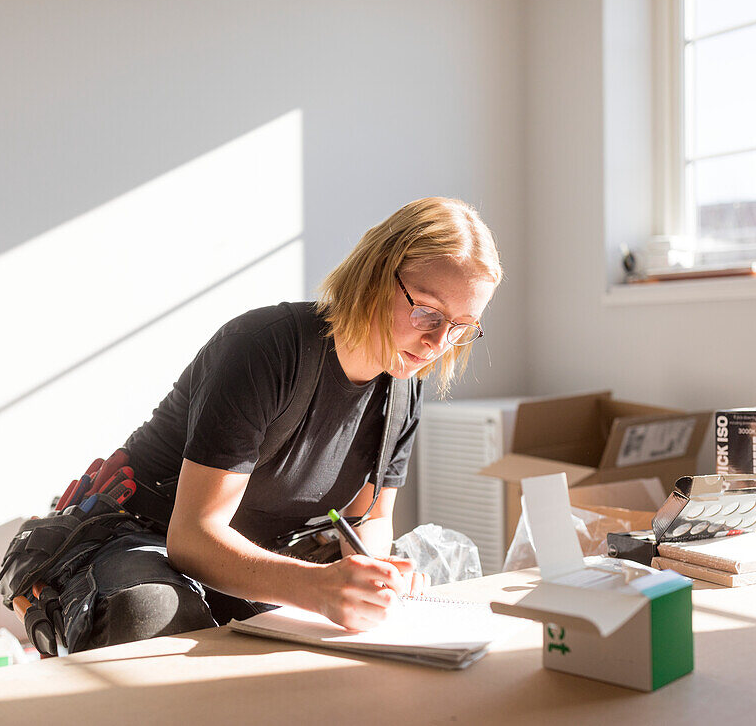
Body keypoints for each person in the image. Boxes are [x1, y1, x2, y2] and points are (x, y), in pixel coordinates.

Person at [49, 197, 502, 652]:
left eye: (462, 327)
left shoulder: (403, 389)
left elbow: (370, 516)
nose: (438, 342)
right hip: (150, 534)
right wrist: (318, 588)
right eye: (427, 311)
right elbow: (191, 536)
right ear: (376, 273)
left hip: (264, 548)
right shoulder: (263, 349)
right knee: (152, 615)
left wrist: (373, 573)